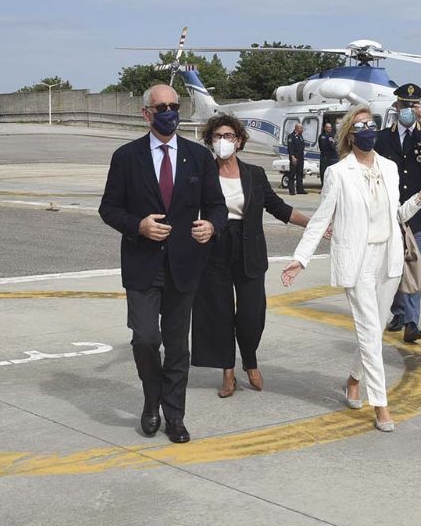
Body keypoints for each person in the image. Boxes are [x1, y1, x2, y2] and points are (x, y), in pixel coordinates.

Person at [281, 106, 421, 431]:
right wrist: (301, 258)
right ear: (349, 134)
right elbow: (322, 218)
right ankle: (381, 405)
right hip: (358, 262)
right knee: (369, 330)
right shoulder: (338, 173)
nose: (367, 129)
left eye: (371, 124)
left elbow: (396, 215)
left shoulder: (390, 168)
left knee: (375, 330)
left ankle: (354, 379)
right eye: (360, 125)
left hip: (389, 258)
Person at [99, 84, 227, 443]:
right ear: (146, 114)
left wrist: (212, 226)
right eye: (162, 107)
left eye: (175, 105)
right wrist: (138, 225)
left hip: (184, 266)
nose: (170, 111)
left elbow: (216, 205)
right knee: (144, 339)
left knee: (177, 346)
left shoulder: (198, 158)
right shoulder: (127, 157)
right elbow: (108, 208)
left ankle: (174, 416)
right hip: (142, 265)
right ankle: (150, 398)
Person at [191, 114, 323, 397]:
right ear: (210, 141)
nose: (223, 141)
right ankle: (228, 372)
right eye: (217, 136)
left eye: (228, 136)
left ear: (239, 141)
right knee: (220, 313)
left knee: (252, 314)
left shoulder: (254, 174)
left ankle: (249, 360)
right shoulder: (202, 174)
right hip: (213, 248)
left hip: (248, 247)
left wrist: (313, 224)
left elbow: (277, 206)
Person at [375, 83, 421, 343]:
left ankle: (411, 322)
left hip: (420, 216)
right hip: (393, 214)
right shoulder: (383, 137)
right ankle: (397, 311)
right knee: (395, 267)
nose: (408, 109)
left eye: (413, 105)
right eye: (404, 105)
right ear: (396, 107)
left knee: (413, 265)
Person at [287, 123, 307, 195]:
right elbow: (290, 148)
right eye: (301, 128)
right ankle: (291, 190)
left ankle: (300, 189)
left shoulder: (301, 136)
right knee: (292, 174)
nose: (302, 130)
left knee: (300, 173)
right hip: (294, 158)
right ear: (297, 128)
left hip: (300, 158)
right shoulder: (291, 137)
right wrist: (292, 157)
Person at [318, 121, 339, 185]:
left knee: (331, 173)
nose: (330, 128)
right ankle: (323, 186)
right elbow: (323, 147)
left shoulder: (332, 136)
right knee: (324, 172)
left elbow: (335, 145)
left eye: (330, 127)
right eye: (328, 127)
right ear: (325, 128)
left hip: (332, 158)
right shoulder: (322, 136)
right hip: (325, 157)